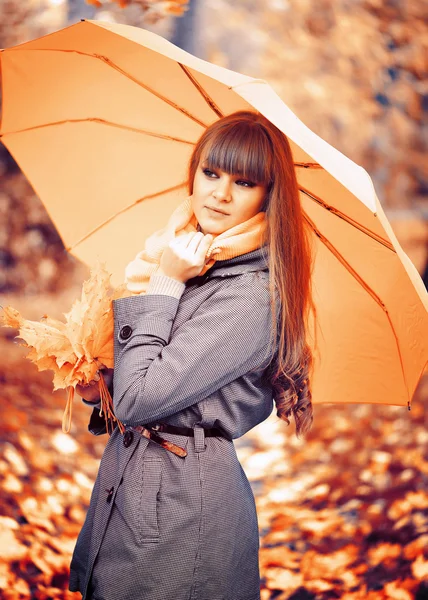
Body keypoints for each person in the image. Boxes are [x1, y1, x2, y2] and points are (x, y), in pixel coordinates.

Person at [69, 110, 315, 600]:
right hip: (135, 482)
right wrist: (104, 392)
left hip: (183, 505)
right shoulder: (194, 260)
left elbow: (146, 399)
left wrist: (166, 282)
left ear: (269, 194)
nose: (219, 194)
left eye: (244, 182)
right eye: (210, 173)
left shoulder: (251, 297)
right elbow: (148, 388)